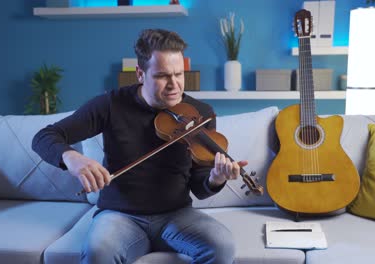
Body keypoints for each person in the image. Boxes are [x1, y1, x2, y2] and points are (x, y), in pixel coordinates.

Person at [32, 28, 247, 264]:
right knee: (98, 252)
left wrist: (215, 178)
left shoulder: (200, 114)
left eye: (179, 74)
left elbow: (200, 186)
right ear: (140, 74)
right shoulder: (110, 104)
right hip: (120, 216)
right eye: (162, 76)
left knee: (222, 246)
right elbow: (45, 136)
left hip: (176, 215)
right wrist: (72, 158)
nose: (174, 84)